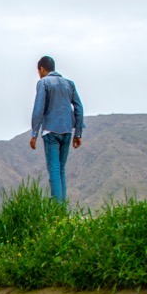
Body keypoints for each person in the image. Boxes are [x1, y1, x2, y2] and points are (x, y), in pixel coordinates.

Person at [29, 55, 84, 203]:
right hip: (67, 131)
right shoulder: (69, 84)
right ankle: (62, 209)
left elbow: (38, 109)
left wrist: (34, 133)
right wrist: (78, 133)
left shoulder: (44, 83)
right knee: (61, 170)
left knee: (53, 169)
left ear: (41, 69)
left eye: (38, 71)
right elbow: (78, 107)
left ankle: (57, 210)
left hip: (51, 131)